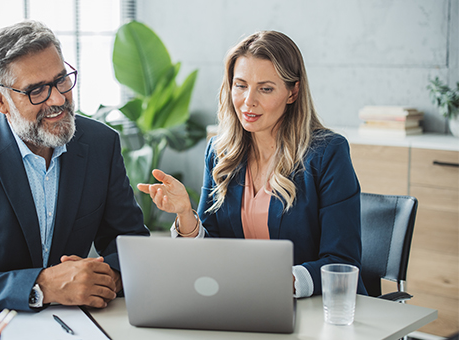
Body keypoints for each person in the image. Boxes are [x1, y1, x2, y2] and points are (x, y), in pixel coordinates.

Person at [0, 20, 149, 326]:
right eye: (37, 90)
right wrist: (41, 286)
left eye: (62, 80)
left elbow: (129, 245)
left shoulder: (101, 144)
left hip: (69, 325)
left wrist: (111, 277)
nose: (59, 99)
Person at [138, 31, 366, 297]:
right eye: (241, 85)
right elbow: (209, 250)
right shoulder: (220, 152)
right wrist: (185, 214)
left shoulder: (326, 153)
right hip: (240, 304)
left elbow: (341, 262)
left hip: (313, 310)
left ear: (293, 92)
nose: (249, 101)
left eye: (265, 88)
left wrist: (269, 283)